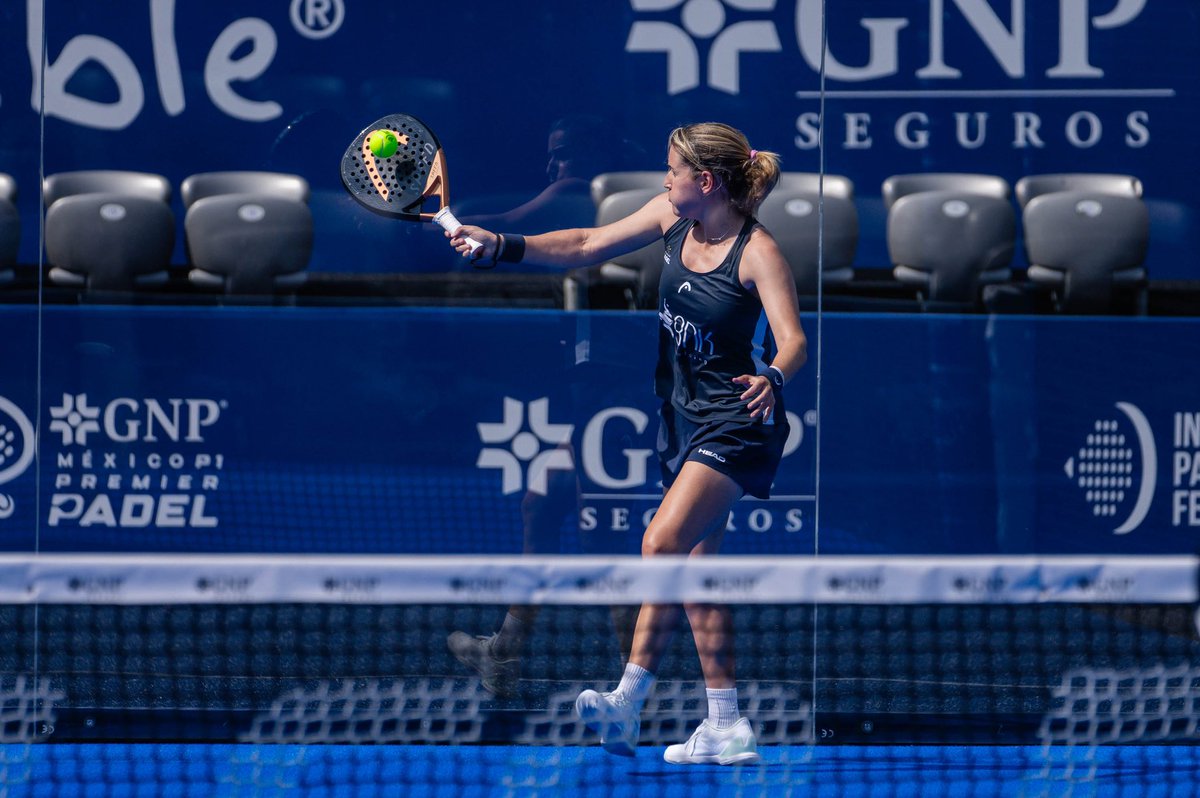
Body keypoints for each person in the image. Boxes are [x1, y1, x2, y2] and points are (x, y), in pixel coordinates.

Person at [445, 122, 807, 765]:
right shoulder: (673, 216)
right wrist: (501, 244)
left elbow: (794, 340)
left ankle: (627, 698)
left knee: (660, 543)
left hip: (738, 422)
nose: (663, 179)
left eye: (673, 169)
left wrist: (773, 376)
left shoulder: (758, 251)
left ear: (708, 182)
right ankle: (725, 723)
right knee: (699, 574)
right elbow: (585, 242)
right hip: (685, 418)